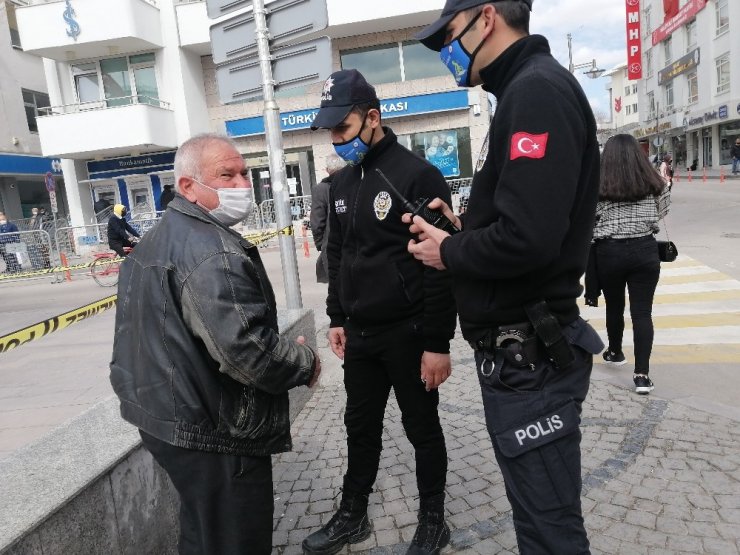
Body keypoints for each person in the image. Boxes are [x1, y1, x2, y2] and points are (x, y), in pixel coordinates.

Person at [409, 2, 604, 553]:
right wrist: (463, 229)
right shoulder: (520, 89)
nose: (446, 50)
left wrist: (452, 251)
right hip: (522, 357)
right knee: (540, 520)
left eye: (448, 35)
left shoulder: (534, 90)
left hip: (531, 359)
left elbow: (528, 237)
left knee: (549, 531)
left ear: (485, 18)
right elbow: (526, 221)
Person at [109, 133, 321, 555]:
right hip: (212, 429)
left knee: (204, 530)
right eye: (227, 175)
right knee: (234, 539)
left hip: (163, 416)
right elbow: (246, 351)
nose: (243, 185)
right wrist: (304, 362)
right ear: (188, 186)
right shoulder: (211, 251)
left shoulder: (158, 236)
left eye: (244, 173)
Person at [302, 69, 456, 555]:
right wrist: (337, 317)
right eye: (330, 132)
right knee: (359, 426)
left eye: (342, 129)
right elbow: (340, 254)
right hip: (361, 335)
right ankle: (353, 515)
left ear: (373, 117)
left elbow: (439, 267)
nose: (336, 140)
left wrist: (437, 344)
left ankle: (433, 518)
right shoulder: (343, 182)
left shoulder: (417, 176)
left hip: (409, 333)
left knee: (422, 428)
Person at [592, 134, 670, 395]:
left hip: (609, 252)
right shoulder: (655, 183)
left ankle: (615, 352)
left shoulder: (598, 184)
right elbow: (662, 212)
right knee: (642, 313)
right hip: (645, 251)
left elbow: (590, 220)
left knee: (614, 305)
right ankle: (642, 375)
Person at [310, 154, 345, 284]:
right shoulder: (355, 183)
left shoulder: (321, 189)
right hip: (355, 248)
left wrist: (321, 244)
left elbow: (317, 222)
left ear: (327, 170)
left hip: (332, 248)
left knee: (337, 292)